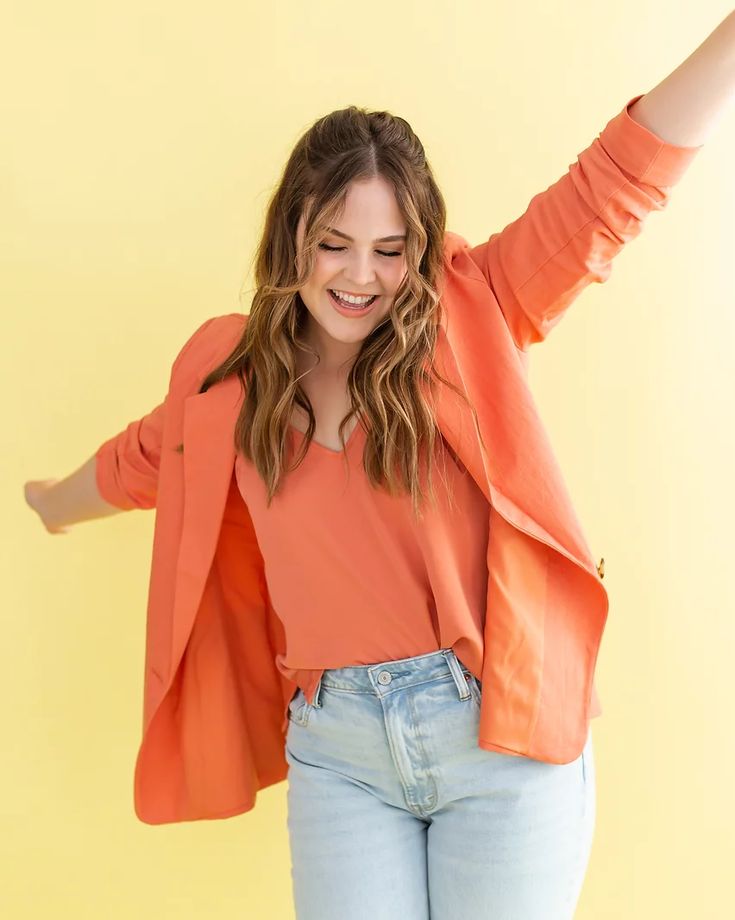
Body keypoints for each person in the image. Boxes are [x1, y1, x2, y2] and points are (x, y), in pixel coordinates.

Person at [25, 90, 703, 917]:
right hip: (337, 754)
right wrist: (50, 504)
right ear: (291, 240)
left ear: (418, 252)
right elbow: (140, 461)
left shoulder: (473, 309)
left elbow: (615, 185)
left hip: (498, 737)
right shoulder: (232, 385)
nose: (359, 277)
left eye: (389, 250)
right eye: (333, 245)